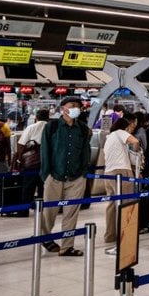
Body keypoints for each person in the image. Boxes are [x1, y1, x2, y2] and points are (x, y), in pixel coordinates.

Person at [40, 96, 92, 256]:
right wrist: (47, 174)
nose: (76, 108)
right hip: (54, 175)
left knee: (71, 213)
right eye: (73, 105)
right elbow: (45, 151)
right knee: (50, 210)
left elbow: (85, 152)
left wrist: (83, 173)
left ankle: (67, 246)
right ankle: (45, 238)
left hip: (76, 177)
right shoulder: (52, 126)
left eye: (78, 106)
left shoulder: (83, 129)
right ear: (63, 108)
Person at [101, 114, 141, 252]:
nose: (131, 130)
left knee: (112, 204)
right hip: (122, 172)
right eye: (130, 127)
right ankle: (123, 236)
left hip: (109, 172)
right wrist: (135, 155)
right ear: (125, 126)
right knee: (125, 204)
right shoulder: (121, 133)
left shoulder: (109, 137)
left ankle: (110, 235)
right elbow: (135, 141)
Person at [12, 108, 51, 218]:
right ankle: (42, 210)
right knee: (44, 187)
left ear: (36, 118)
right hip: (47, 162)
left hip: (32, 163)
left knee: (28, 187)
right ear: (48, 117)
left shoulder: (31, 127)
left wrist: (19, 160)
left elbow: (21, 144)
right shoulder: (52, 127)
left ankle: (24, 211)